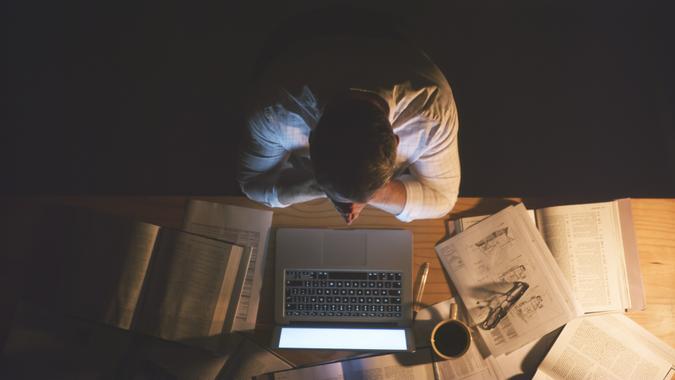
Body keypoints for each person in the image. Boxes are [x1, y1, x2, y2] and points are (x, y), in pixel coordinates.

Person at [237, 37, 460, 223]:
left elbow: (444, 198)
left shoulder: (432, 114)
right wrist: (323, 188)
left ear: (395, 140)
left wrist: (374, 194)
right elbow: (251, 183)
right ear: (312, 140)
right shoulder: (271, 111)